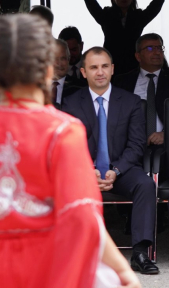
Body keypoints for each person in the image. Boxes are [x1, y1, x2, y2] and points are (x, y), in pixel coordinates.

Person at [0, 14, 142, 288]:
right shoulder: (59, 130)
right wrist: (121, 269)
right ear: (48, 68)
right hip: (51, 268)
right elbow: (81, 217)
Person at [63, 47, 159, 275]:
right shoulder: (70, 103)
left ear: (113, 69)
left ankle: (140, 253)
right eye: (94, 67)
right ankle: (77, 254)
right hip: (84, 171)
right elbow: (69, 146)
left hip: (122, 170)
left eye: (105, 66)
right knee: (63, 185)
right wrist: (89, 170)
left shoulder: (131, 101)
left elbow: (137, 145)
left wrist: (115, 170)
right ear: (83, 72)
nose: (100, 72)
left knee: (146, 184)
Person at [84, 0, 165, 75]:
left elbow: (158, 0)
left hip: (133, 67)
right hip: (111, 67)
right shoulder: (106, 16)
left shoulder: (138, 16)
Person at [112, 33, 169, 146]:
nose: (157, 52)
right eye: (150, 48)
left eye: (159, 48)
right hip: (129, 144)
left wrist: (167, 133)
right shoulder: (122, 81)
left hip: (165, 145)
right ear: (138, 56)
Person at [51, 39, 83, 108]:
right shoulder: (34, 86)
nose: (59, 63)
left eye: (63, 58)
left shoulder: (81, 88)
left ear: (69, 60)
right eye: (54, 58)